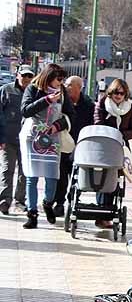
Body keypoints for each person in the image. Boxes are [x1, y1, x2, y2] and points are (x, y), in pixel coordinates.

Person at [19, 63, 70, 229]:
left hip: (52, 138)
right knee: (31, 177)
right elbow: (25, 110)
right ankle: (32, 213)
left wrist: (57, 125)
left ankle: (48, 203)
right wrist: (46, 100)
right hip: (32, 137)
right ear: (49, 77)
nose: (61, 83)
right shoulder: (33, 89)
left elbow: (71, 114)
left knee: (52, 176)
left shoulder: (62, 93)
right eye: (59, 79)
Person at [92, 78, 132, 228]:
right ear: (110, 92)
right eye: (116, 92)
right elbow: (98, 123)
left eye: (122, 93)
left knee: (115, 182)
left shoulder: (129, 108)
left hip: (121, 148)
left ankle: (109, 214)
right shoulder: (102, 104)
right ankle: (100, 214)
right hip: (104, 147)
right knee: (102, 179)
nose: (119, 96)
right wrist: (112, 133)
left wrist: (122, 134)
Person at [52, 75, 95, 218]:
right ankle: (59, 203)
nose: (67, 87)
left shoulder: (88, 104)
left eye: (70, 85)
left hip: (80, 146)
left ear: (79, 88)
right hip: (63, 144)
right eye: (66, 84)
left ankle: (73, 199)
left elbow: (92, 125)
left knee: (77, 175)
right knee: (61, 175)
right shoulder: (62, 101)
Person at [0, 65, 33, 215]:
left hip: (27, 139)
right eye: (24, 75)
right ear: (17, 75)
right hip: (8, 138)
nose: (26, 79)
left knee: (24, 172)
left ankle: (20, 200)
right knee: (7, 170)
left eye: (29, 76)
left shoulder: (33, 92)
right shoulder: (6, 90)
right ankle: (4, 201)